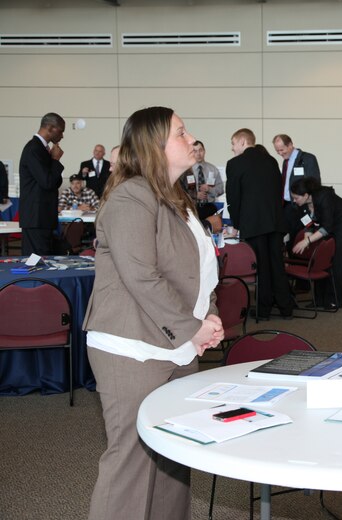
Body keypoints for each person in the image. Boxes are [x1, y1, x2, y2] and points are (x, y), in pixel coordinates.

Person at [83, 106, 224, 520]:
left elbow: (197, 269)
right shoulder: (131, 195)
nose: (190, 138)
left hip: (177, 345)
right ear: (154, 145)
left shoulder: (175, 195)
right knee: (131, 462)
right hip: (133, 347)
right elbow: (141, 276)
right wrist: (191, 327)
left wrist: (208, 316)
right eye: (181, 132)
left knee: (171, 459)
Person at [226, 130, 294, 320]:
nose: (232, 148)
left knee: (260, 266)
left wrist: (236, 223)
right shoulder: (271, 161)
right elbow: (278, 191)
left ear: (242, 141)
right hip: (275, 221)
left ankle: (263, 310)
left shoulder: (235, 164)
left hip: (253, 223)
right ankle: (285, 306)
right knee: (277, 265)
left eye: (233, 143)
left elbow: (234, 196)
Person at [289, 176, 342, 309]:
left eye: (296, 198)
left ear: (306, 195)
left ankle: (334, 300)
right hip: (327, 226)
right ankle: (318, 300)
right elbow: (308, 225)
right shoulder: (302, 206)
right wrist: (306, 241)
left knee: (337, 261)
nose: (294, 201)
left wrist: (307, 241)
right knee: (321, 259)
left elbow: (327, 227)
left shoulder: (324, 197)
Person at [19, 112, 65, 255]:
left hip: (42, 217)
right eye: (61, 130)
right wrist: (55, 161)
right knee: (37, 262)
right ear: (51, 128)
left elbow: (54, 182)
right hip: (36, 218)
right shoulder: (34, 148)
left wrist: (53, 162)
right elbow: (47, 182)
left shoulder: (42, 149)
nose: (62, 135)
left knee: (45, 260)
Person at [273, 133, 322, 241]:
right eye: (277, 151)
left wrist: (310, 207)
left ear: (290, 145)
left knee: (298, 237)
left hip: (300, 206)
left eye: (282, 150)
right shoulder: (286, 161)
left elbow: (315, 184)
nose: (280, 153)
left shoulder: (308, 159)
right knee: (285, 237)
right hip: (286, 206)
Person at [181, 140, 225, 204]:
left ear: (204, 151)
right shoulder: (186, 170)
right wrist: (195, 195)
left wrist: (209, 189)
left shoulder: (213, 169)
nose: (198, 154)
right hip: (192, 207)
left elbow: (221, 190)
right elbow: (181, 191)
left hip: (209, 206)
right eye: (195, 151)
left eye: (200, 150)